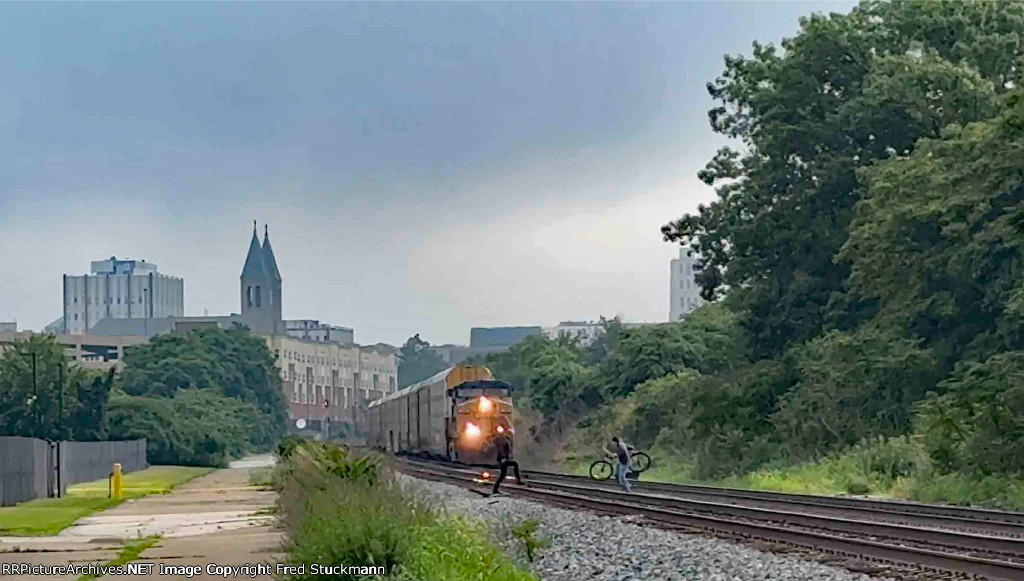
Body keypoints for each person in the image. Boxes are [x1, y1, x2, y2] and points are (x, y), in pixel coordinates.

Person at [490, 422, 522, 495]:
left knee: (505, 473)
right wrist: (503, 458)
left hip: (504, 458)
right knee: (503, 474)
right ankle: (495, 489)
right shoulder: (499, 439)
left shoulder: (503, 438)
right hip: (502, 458)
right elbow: (500, 449)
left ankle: (518, 480)